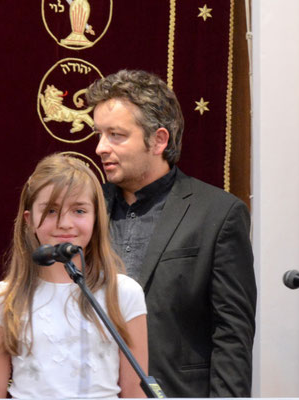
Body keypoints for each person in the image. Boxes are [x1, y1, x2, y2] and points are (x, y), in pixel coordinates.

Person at [86, 70, 257, 397]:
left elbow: (232, 335)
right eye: (99, 134)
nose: (100, 148)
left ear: (159, 140)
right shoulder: (88, 211)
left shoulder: (218, 214)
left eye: (115, 135)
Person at [0, 154, 149, 399]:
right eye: (51, 210)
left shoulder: (123, 293)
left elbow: (135, 392)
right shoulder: (4, 298)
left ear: (96, 217)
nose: (65, 223)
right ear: (29, 220)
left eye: (79, 210)